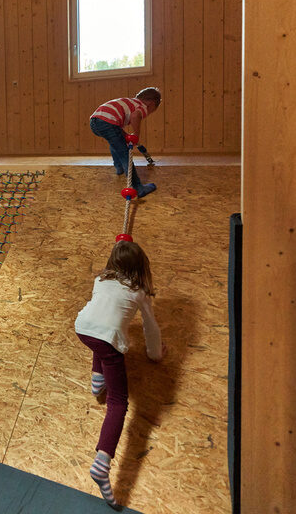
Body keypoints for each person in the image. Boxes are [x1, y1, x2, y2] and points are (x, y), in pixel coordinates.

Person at [75, 240, 165, 510]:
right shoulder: (139, 293)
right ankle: (102, 464)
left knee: (100, 339)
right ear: (140, 266)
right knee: (118, 403)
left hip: (82, 328)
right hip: (106, 338)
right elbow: (151, 328)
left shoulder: (100, 280)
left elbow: (101, 315)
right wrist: (155, 354)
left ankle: (96, 381)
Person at [90, 87, 161, 198]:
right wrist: (136, 134)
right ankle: (138, 188)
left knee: (116, 142)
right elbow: (135, 116)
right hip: (108, 122)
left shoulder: (130, 102)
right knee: (124, 153)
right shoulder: (142, 106)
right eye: (153, 110)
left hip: (95, 122)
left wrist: (125, 135)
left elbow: (116, 128)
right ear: (151, 104)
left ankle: (119, 167)